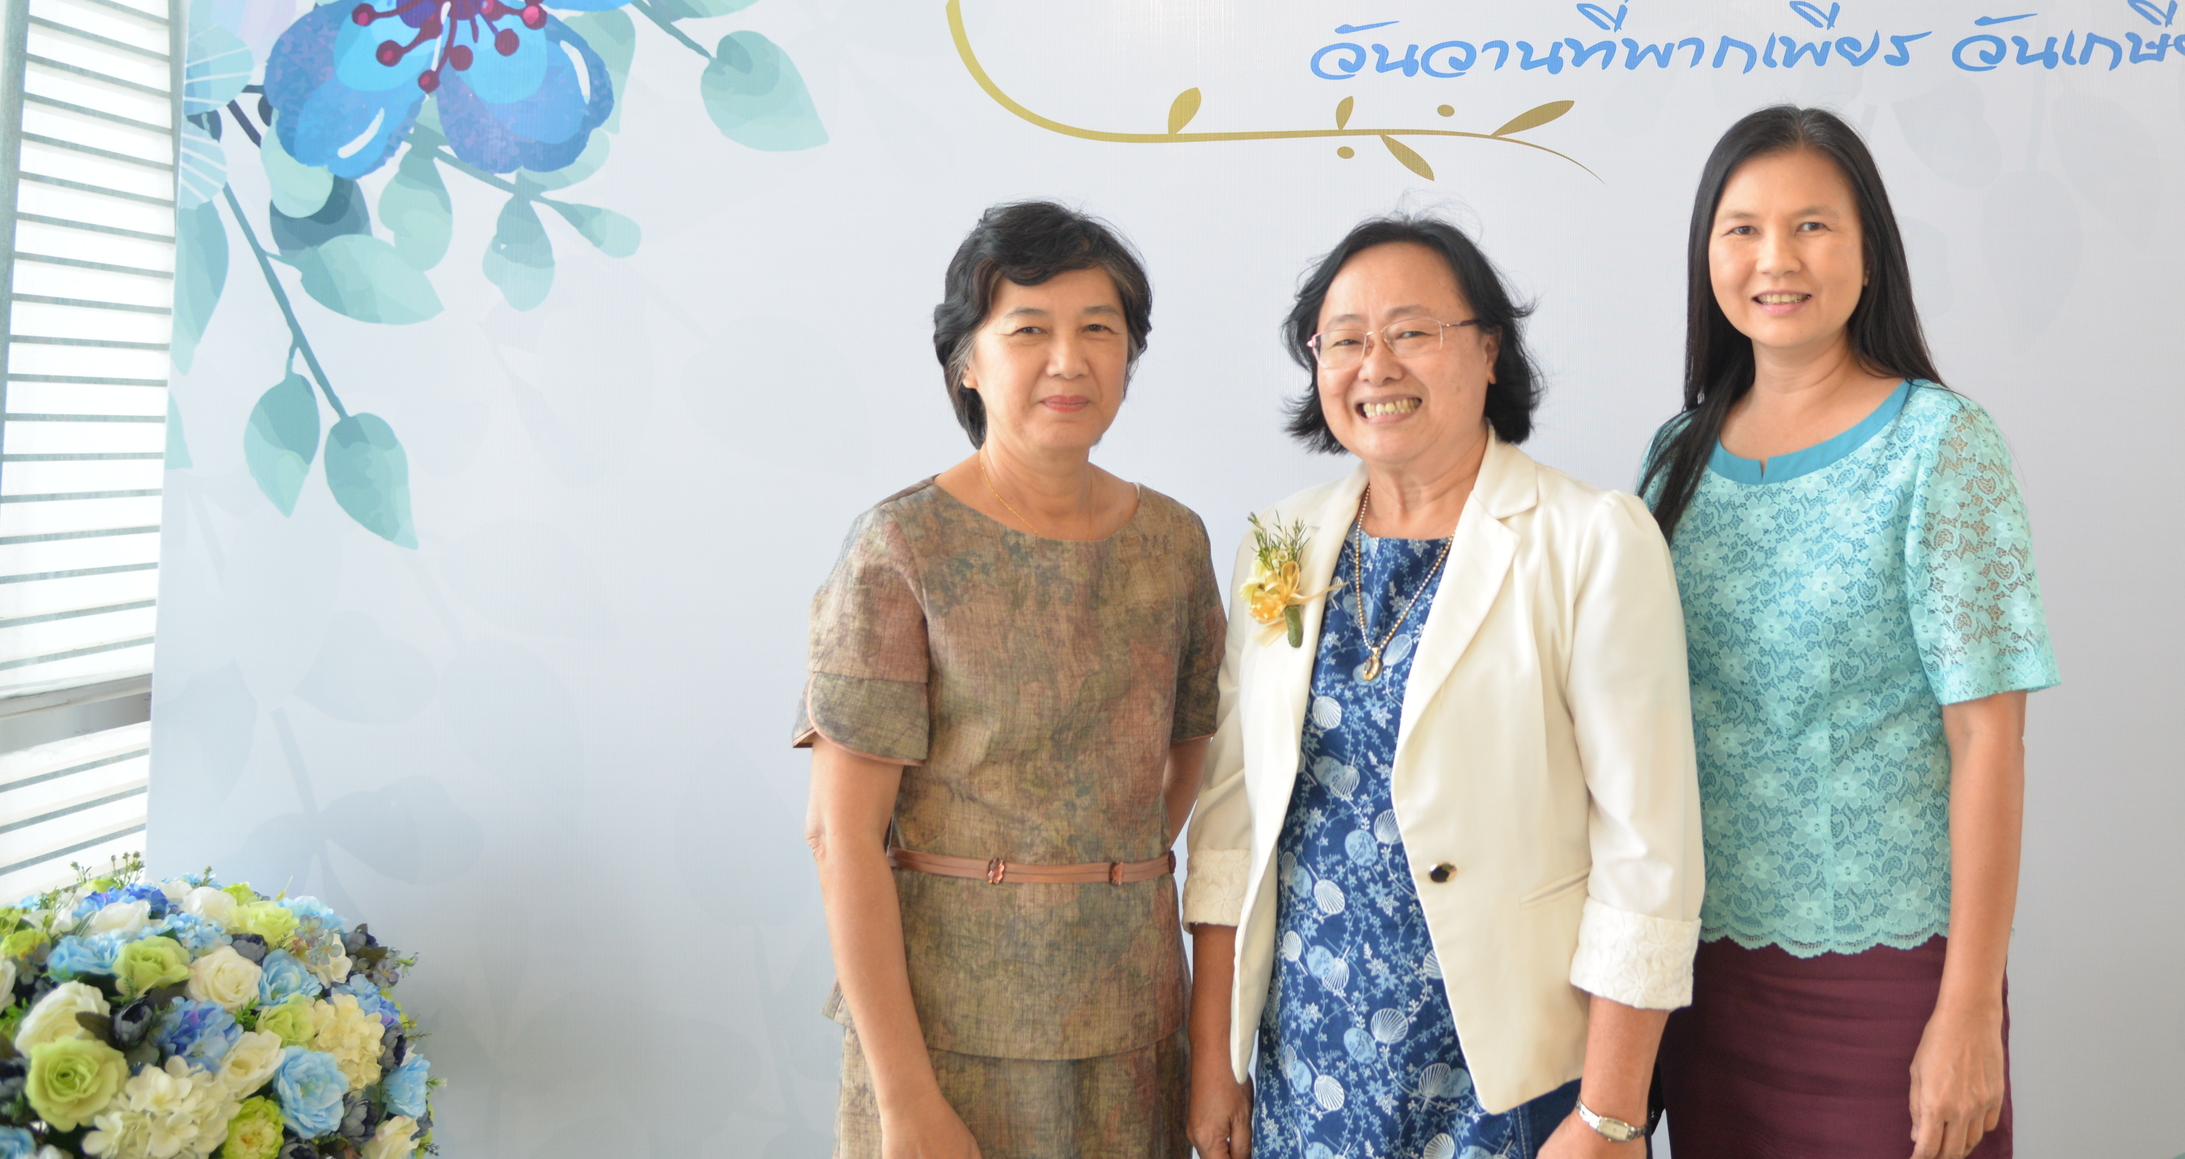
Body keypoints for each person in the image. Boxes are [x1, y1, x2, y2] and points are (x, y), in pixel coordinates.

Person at [1184, 216, 1704, 1159]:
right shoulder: (1280, 543)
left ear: (1489, 350)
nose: (1376, 365)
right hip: (1309, 1066)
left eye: (1412, 331)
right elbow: (1231, 826)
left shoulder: (1590, 538)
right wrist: (1214, 1062)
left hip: (1510, 1081)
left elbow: (1648, 854)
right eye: (1345, 339)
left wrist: (1611, 1113)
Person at [1644, 107, 2058, 1159]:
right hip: (1700, 984)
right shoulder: (1673, 457)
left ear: (1870, 252)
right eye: (1742, 229)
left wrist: (1969, 1009)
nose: (1775, 259)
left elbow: (1989, 740)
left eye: (1812, 226)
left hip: (1891, 984)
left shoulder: (1941, 446)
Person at [795, 200, 1225, 1159]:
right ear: (967, 362)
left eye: (1100, 330)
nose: (1069, 360)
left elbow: (1192, 739)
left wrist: (1098, 874)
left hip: (1132, 1019)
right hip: (948, 1035)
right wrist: (906, 1099)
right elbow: (840, 836)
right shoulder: (902, 545)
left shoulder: (1174, 541)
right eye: (1029, 329)